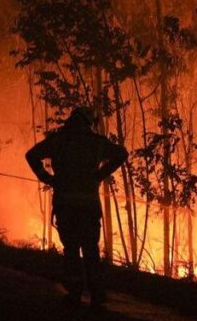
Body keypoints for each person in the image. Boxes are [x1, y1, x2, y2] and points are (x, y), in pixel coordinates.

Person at [25, 107, 127, 307]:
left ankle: (74, 293)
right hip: (88, 208)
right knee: (91, 250)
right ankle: (96, 293)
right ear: (88, 123)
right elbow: (121, 154)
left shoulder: (58, 141)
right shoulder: (96, 143)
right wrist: (100, 174)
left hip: (65, 207)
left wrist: (46, 178)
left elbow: (31, 155)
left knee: (71, 249)